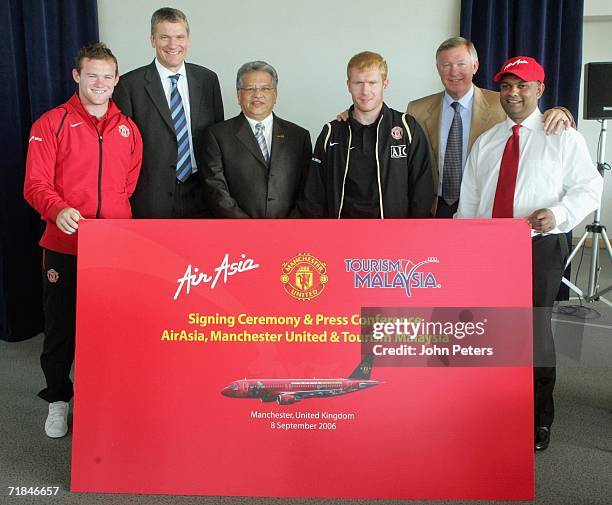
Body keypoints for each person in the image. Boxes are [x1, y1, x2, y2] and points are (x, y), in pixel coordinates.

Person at [456, 56, 602, 451]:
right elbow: (468, 204)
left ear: (540, 89)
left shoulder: (563, 136)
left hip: (539, 247)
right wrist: (463, 251)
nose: (513, 93)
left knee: (535, 335)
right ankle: (489, 409)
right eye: (506, 86)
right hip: (488, 252)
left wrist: (557, 214)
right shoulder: (486, 143)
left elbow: (589, 188)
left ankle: (538, 418)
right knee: (486, 331)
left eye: (522, 85)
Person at [23, 43, 143, 438]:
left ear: (116, 80)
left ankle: (108, 401)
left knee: (113, 329)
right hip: (65, 248)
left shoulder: (128, 128)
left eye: (107, 77)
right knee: (61, 331)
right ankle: (58, 401)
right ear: (76, 76)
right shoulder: (51, 123)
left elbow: (127, 185)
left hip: (114, 250)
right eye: (92, 75)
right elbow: (35, 184)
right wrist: (58, 210)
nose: (99, 83)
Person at [407, 37, 575, 217]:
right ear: (438, 68)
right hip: (434, 206)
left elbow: (531, 116)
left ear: (475, 66)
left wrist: (562, 112)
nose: (454, 71)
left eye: (461, 64)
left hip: (483, 206)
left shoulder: (503, 101)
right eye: (446, 65)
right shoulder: (417, 109)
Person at [113, 7, 224, 218]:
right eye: (165, 37)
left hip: (202, 194)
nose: (173, 45)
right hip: (151, 197)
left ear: (188, 39)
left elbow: (218, 137)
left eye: (179, 37)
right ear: (153, 40)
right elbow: (123, 151)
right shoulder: (128, 86)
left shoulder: (208, 80)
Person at [298, 51, 433, 219]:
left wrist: (413, 235)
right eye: (358, 83)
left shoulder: (407, 128)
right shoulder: (331, 133)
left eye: (372, 82)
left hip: (394, 237)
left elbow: (422, 189)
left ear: (385, 84)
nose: (365, 91)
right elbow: (314, 195)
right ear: (348, 85)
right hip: (342, 236)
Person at [201, 61, 311, 218]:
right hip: (236, 234)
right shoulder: (217, 135)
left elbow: (308, 188)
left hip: (287, 232)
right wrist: (248, 228)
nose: (258, 94)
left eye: (265, 88)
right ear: (239, 95)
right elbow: (215, 188)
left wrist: (289, 225)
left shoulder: (299, 136)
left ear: (275, 94)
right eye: (250, 89)